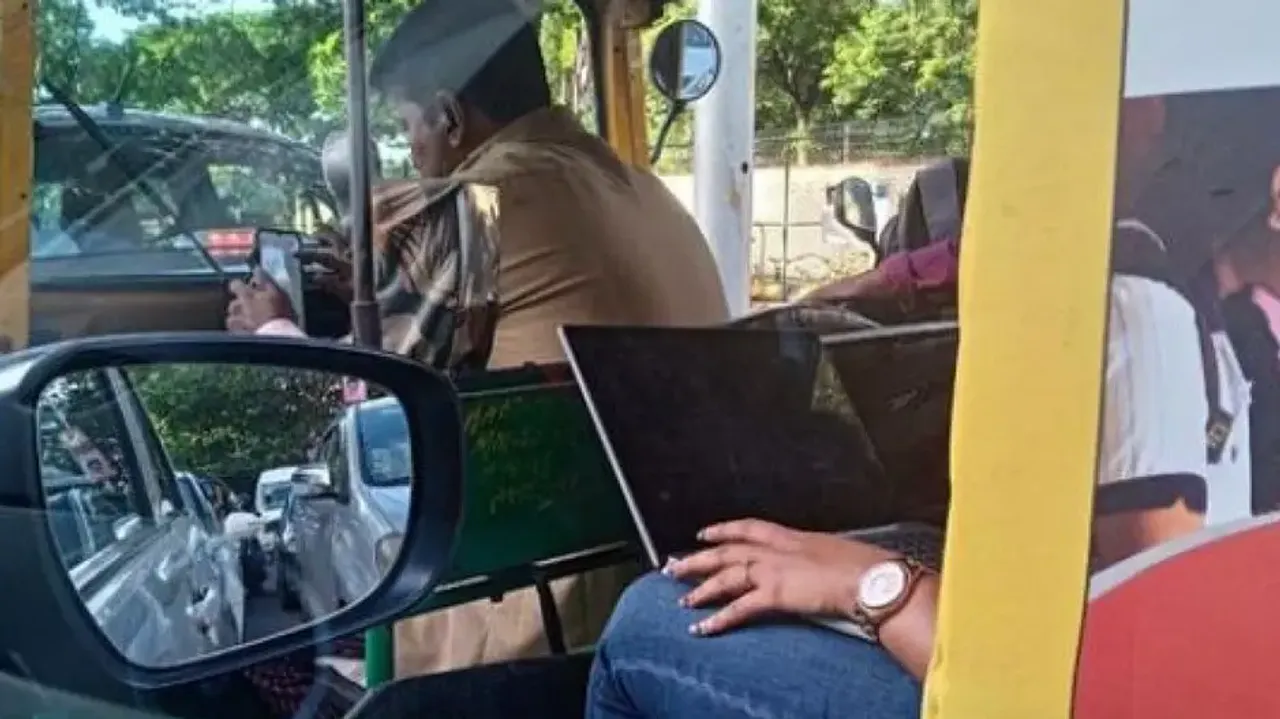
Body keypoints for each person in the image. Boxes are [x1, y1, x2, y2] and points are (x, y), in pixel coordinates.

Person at [226, 0, 730, 679]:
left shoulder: (476, 200)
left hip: (544, 612)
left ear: (451, 116)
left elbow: (368, 408)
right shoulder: (644, 188)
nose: (413, 154)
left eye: (410, 130)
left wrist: (275, 328)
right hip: (661, 567)